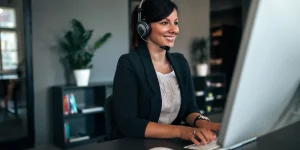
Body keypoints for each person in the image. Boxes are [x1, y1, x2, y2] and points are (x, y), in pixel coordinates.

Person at [112, 0, 220, 145]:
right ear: (144, 27)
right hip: (139, 144)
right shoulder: (129, 63)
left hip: (171, 143)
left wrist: (208, 124)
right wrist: (182, 131)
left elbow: (189, 110)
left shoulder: (180, 62)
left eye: (175, 22)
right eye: (164, 23)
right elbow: (128, 123)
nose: (174, 29)